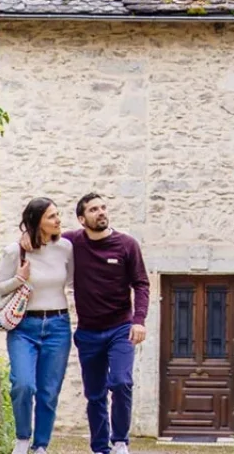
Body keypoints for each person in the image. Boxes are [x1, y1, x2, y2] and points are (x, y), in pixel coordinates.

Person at [65, 192, 150, 454]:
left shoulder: (126, 244)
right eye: (93, 210)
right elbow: (43, 239)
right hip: (88, 332)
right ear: (82, 219)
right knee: (95, 395)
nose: (100, 212)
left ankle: (120, 441)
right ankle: (100, 448)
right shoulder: (72, 243)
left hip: (121, 328)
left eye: (103, 208)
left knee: (121, 382)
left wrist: (139, 320)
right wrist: (25, 239)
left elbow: (141, 283)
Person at [0, 197, 75, 454]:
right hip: (24, 326)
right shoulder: (15, 251)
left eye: (58, 214)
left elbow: (74, 280)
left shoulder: (66, 248)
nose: (58, 220)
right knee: (23, 384)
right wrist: (19, 278)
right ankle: (22, 438)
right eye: (52, 216)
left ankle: (40, 446)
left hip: (58, 325)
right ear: (37, 221)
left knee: (49, 391)